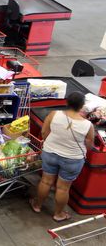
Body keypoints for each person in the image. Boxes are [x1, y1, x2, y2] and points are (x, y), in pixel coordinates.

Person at [31, 92, 94, 222]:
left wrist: (50, 143)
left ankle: (37, 205)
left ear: (67, 102)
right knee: (63, 188)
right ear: (82, 106)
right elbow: (89, 144)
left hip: (50, 153)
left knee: (45, 181)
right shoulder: (88, 125)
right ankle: (58, 214)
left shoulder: (54, 114)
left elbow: (44, 132)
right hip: (73, 159)